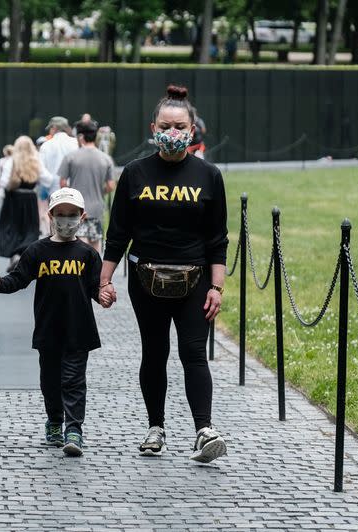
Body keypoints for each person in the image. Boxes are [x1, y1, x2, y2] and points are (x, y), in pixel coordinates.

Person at [99, 84, 229, 463]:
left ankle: (204, 430)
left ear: (192, 129)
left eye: (180, 126)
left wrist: (217, 287)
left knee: (193, 352)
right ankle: (155, 427)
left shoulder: (209, 175)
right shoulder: (135, 174)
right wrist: (104, 280)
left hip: (195, 280)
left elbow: (217, 238)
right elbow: (118, 233)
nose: (173, 133)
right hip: (146, 280)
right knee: (154, 353)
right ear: (153, 126)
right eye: (166, 126)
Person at [0, 188, 103, 457]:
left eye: (72, 215)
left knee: (74, 381)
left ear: (82, 217)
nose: (66, 220)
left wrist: (104, 295)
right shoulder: (37, 251)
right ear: (50, 215)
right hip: (49, 329)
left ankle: (74, 428)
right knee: (50, 381)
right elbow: (18, 279)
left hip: (79, 328)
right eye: (61, 215)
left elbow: (96, 288)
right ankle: (54, 420)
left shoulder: (88, 254)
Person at [58, 121, 115, 253]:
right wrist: (99, 192)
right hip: (96, 208)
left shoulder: (71, 157)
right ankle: (94, 272)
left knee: (78, 246)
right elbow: (111, 185)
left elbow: (62, 183)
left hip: (76, 209)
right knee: (95, 247)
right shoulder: (105, 159)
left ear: (81, 137)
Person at [0, 136, 53, 272]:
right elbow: (48, 180)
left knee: (12, 228)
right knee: (30, 229)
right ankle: (24, 257)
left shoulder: (11, 161)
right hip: (30, 199)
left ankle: (14, 255)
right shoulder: (36, 161)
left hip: (13, 199)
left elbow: (4, 182)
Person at [38, 116, 79, 235]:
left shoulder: (46, 145)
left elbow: (41, 169)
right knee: (73, 222)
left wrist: (50, 182)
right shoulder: (75, 143)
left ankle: (55, 250)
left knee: (55, 223)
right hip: (73, 189)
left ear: (54, 128)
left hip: (53, 190)